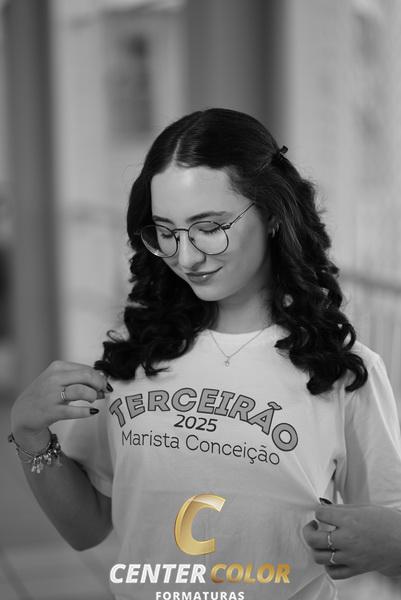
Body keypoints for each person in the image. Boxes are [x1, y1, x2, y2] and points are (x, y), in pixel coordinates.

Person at [9, 108, 401, 600]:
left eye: (209, 227)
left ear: (273, 214)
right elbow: (86, 528)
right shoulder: (137, 355)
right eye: (166, 232)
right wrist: (29, 433)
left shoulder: (341, 371)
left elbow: (386, 530)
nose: (187, 256)